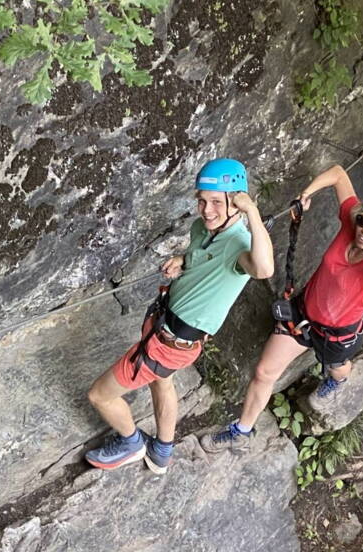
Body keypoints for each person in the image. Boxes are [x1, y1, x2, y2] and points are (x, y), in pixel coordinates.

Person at [203, 167, 363, 454]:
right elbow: (339, 174)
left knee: (337, 367)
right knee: (264, 372)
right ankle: (242, 431)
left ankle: (337, 379)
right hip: (303, 317)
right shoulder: (351, 224)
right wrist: (306, 195)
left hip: (337, 335)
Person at [84, 158, 274, 474]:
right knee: (162, 384)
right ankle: (162, 451)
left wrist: (252, 211)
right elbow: (202, 257)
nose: (206, 209)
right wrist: (182, 261)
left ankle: (132, 443)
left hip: (172, 343)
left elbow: (264, 269)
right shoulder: (202, 228)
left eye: (216, 202)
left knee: (100, 396)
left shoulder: (240, 244)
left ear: (237, 203)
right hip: (163, 324)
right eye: (201, 200)